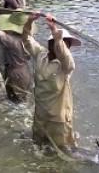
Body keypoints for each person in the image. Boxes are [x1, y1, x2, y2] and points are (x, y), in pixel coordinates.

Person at [23, 13, 80, 150]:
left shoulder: (66, 66)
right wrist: (30, 21)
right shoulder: (41, 54)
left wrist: (54, 31)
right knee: (38, 148)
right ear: (50, 44)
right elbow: (26, 38)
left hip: (58, 120)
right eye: (67, 44)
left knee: (61, 152)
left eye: (67, 45)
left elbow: (62, 53)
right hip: (40, 115)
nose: (67, 48)